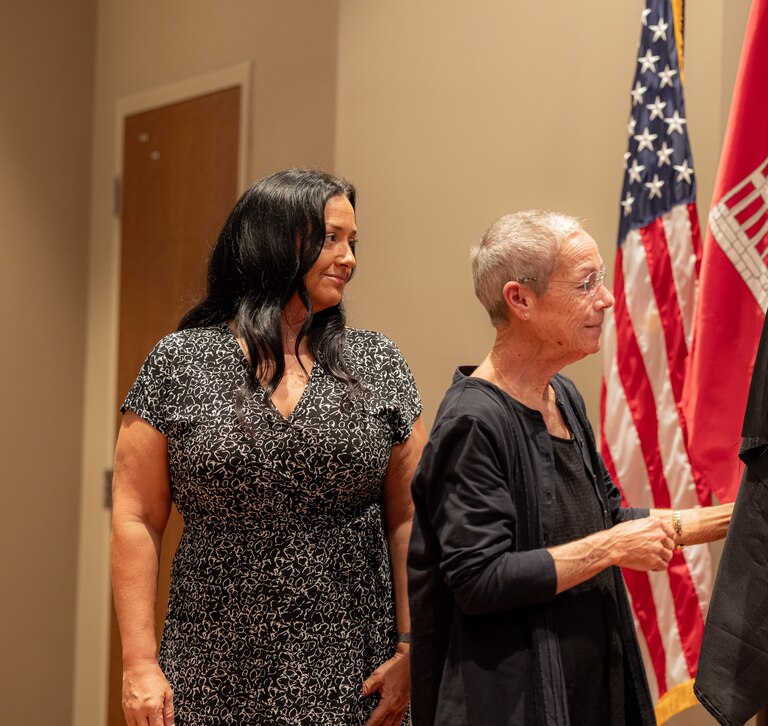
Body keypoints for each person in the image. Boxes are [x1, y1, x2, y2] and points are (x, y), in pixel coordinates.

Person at [111, 168, 424, 726]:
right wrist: (139, 663)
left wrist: (411, 645)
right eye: (332, 238)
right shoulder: (179, 362)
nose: (349, 258)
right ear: (274, 241)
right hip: (210, 669)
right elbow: (135, 516)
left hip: (355, 670)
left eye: (353, 242)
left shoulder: (377, 362)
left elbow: (410, 517)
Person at [407, 210, 732, 726]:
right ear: (520, 300)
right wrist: (611, 548)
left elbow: (608, 518)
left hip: (586, 686)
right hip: (514, 703)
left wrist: (736, 518)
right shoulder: (473, 421)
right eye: (586, 284)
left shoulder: (562, 395)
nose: (606, 298)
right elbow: (480, 579)